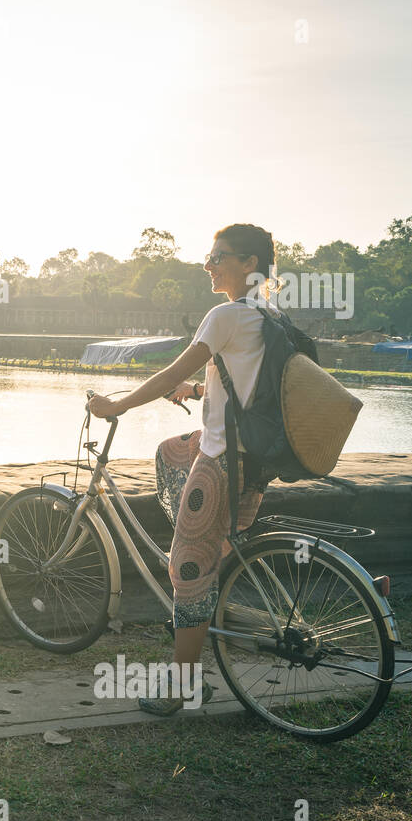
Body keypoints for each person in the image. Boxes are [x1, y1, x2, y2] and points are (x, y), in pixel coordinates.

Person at [89, 224, 278, 714]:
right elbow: (243, 383)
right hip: (249, 457)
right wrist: (198, 393)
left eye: (220, 256)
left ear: (249, 264)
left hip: (222, 463)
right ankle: (197, 555)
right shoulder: (266, 313)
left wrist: (117, 406)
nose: (208, 263)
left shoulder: (226, 314)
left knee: (188, 569)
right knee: (171, 451)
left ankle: (184, 684)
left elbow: (172, 370)